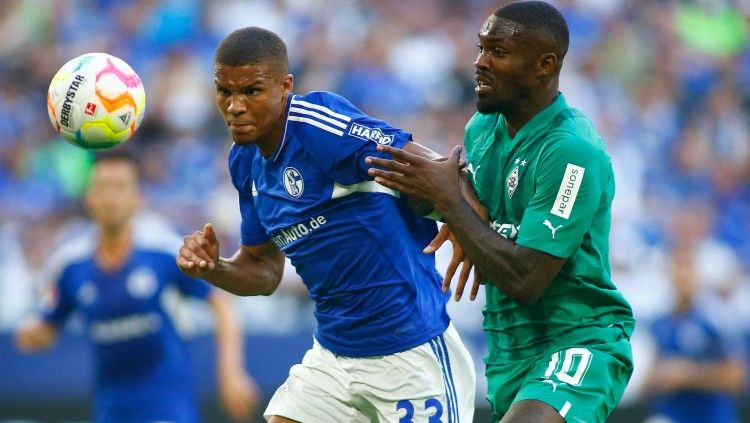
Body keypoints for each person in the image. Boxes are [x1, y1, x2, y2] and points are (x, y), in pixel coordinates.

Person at [176, 26, 476, 422]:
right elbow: (263, 271)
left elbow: (435, 168)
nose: (234, 106)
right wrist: (214, 268)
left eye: (250, 91)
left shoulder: (316, 127)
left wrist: (461, 215)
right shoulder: (244, 162)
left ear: (285, 86)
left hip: (410, 354)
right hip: (334, 359)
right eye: (224, 91)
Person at [366, 2, 635, 422]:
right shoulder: (482, 130)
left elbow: (527, 279)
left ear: (543, 66)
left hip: (577, 339)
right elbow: (469, 212)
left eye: (499, 52)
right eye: (480, 48)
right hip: (508, 351)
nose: (480, 63)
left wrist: (452, 204)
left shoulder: (570, 150)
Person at [15, 150, 258, 423]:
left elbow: (221, 303)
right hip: (111, 411)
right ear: (89, 197)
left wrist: (231, 371)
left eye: (120, 187)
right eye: (102, 187)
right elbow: (46, 327)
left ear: (137, 197)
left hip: (168, 410)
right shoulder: (70, 266)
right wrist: (31, 335)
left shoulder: (163, 252)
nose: (111, 197)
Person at [644, 247, 746, 423]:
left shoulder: (717, 319)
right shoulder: (658, 323)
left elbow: (736, 377)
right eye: (677, 267)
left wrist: (688, 375)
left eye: (688, 267)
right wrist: (658, 376)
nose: (683, 275)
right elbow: (645, 381)